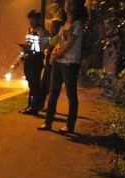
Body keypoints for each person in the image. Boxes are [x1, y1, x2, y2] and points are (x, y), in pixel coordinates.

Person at [38, 0, 88, 133]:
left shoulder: (78, 24)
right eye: (67, 2)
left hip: (70, 63)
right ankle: (48, 122)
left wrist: (56, 54)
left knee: (71, 95)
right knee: (53, 92)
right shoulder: (65, 24)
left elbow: (69, 44)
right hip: (59, 63)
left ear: (77, 7)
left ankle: (69, 126)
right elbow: (60, 42)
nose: (68, 5)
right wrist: (54, 54)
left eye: (72, 3)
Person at [19, 10, 49, 116]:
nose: (31, 21)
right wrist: (25, 47)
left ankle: (35, 107)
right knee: (30, 83)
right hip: (29, 58)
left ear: (38, 19)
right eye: (30, 19)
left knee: (34, 83)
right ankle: (30, 105)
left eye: (33, 19)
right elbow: (29, 43)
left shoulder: (42, 31)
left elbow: (45, 44)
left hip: (36, 59)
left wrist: (30, 47)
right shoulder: (30, 30)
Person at [39, 18, 64, 111]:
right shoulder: (54, 37)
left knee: (50, 86)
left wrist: (47, 48)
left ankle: (50, 107)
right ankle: (44, 105)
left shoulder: (57, 37)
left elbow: (49, 48)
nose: (50, 28)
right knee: (45, 85)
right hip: (49, 64)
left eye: (52, 26)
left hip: (52, 64)